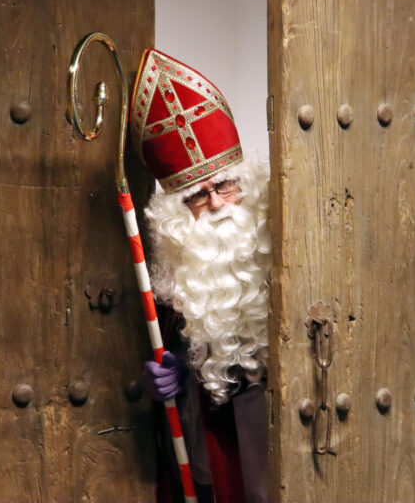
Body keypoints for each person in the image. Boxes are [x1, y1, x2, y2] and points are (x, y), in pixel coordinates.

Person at [129, 48, 270, 503]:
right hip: (221, 460)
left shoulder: (284, 251)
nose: (215, 204)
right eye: (196, 194)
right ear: (176, 213)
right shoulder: (179, 286)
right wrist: (176, 381)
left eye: (225, 185)